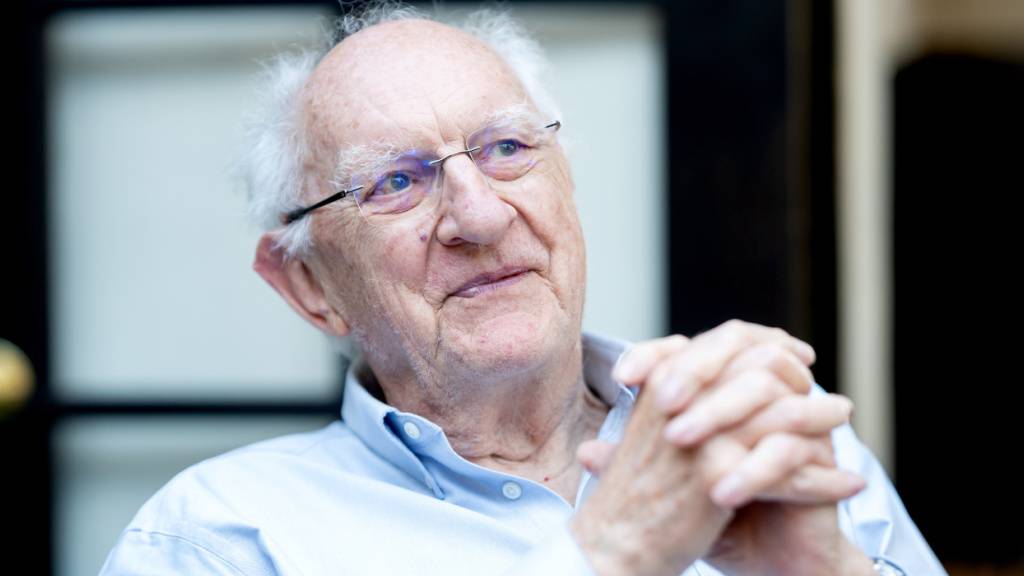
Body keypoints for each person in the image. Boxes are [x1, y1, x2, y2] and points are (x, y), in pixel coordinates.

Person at [100, 4, 944, 575]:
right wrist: (606, 556)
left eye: (506, 148)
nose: (478, 213)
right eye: (396, 182)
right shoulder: (215, 537)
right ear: (311, 284)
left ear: (566, 191)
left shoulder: (768, 439)